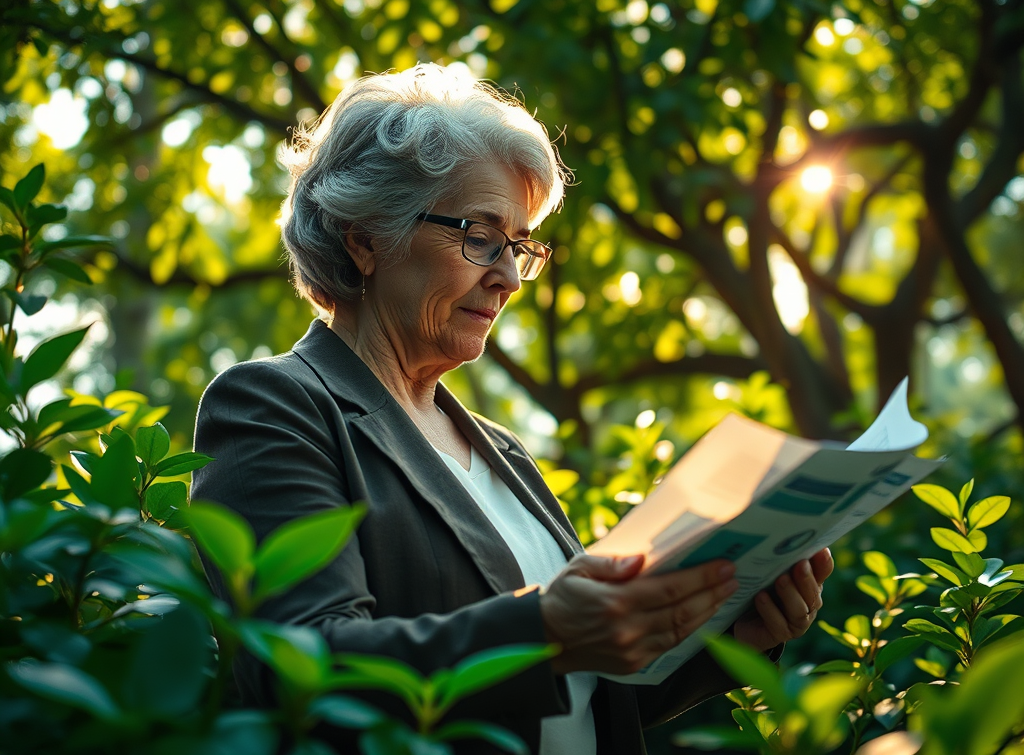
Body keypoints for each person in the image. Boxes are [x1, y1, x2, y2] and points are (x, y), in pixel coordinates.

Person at [191, 64, 832, 755]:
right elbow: (302, 669)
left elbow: (585, 694)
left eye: (520, 246)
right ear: (365, 237)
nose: (506, 277)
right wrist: (547, 629)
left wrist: (733, 631)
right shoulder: (275, 405)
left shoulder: (503, 452)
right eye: (479, 235)